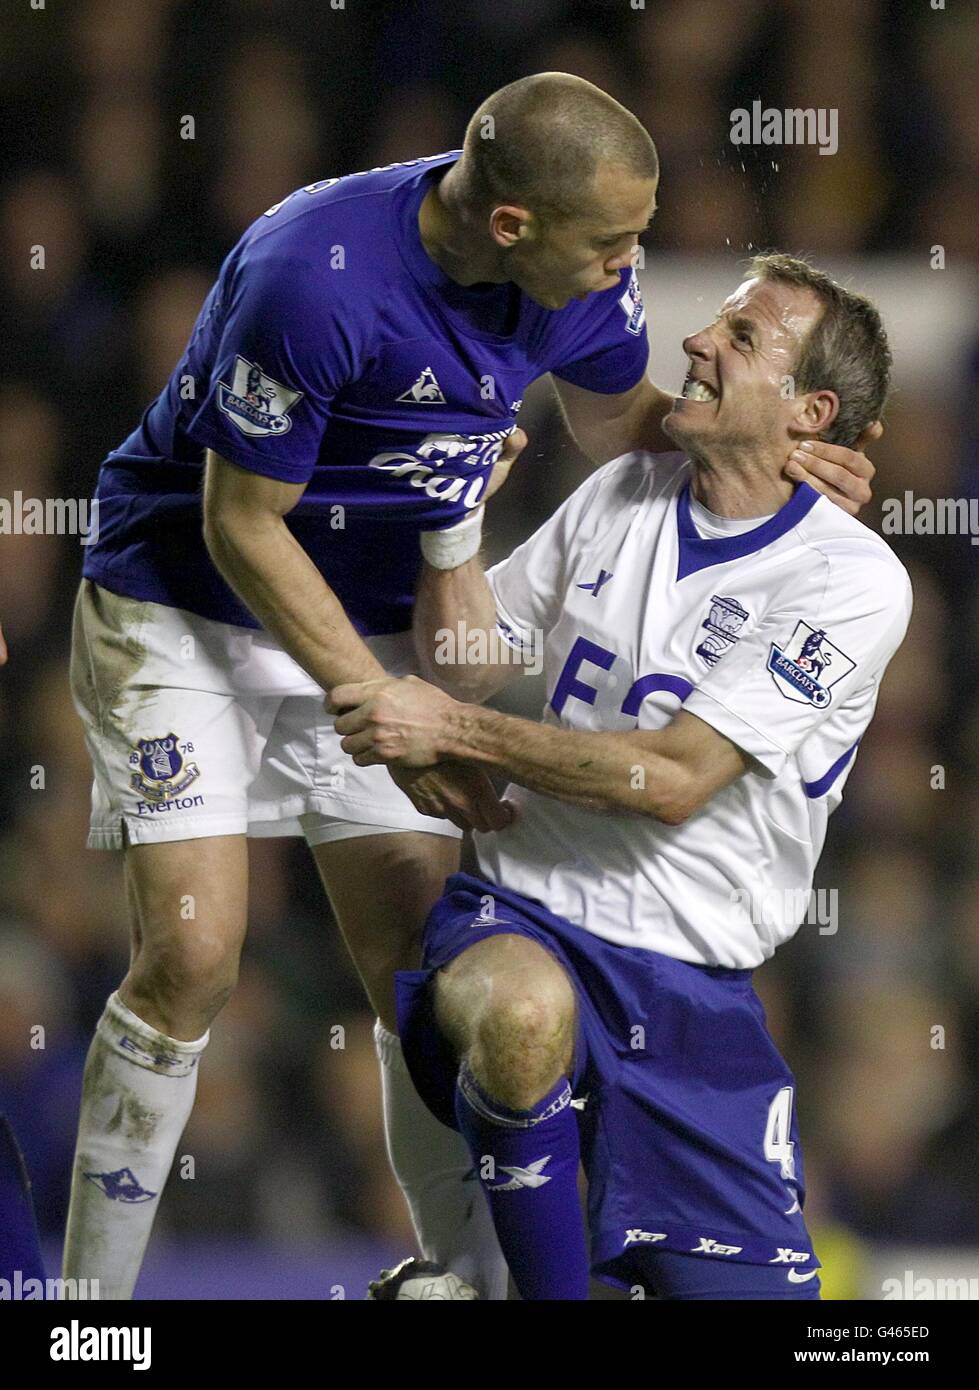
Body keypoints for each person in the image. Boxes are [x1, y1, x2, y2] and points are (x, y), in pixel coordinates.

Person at [64, 71, 875, 1301]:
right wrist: (404, 722)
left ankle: (459, 1279)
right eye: (612, 243)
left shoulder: (579, 266)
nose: (632, 268)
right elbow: (241, 524)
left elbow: (619, 425)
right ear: (513, 228)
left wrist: (783, 457)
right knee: (194, 953)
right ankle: (89, 1311)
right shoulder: (311, 275)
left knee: (418, 980)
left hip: (379, 619)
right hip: (186, 605)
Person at [332, 253, 912, 1300]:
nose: (696, 343)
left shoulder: (850, 580)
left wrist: (456, 726)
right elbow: (463, 661)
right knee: (516, 1014)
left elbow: (674, 778)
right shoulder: (620, 493)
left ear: (808, 409)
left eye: (739, 338)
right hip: (524, 919)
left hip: (693, 997)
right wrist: (453, 520)